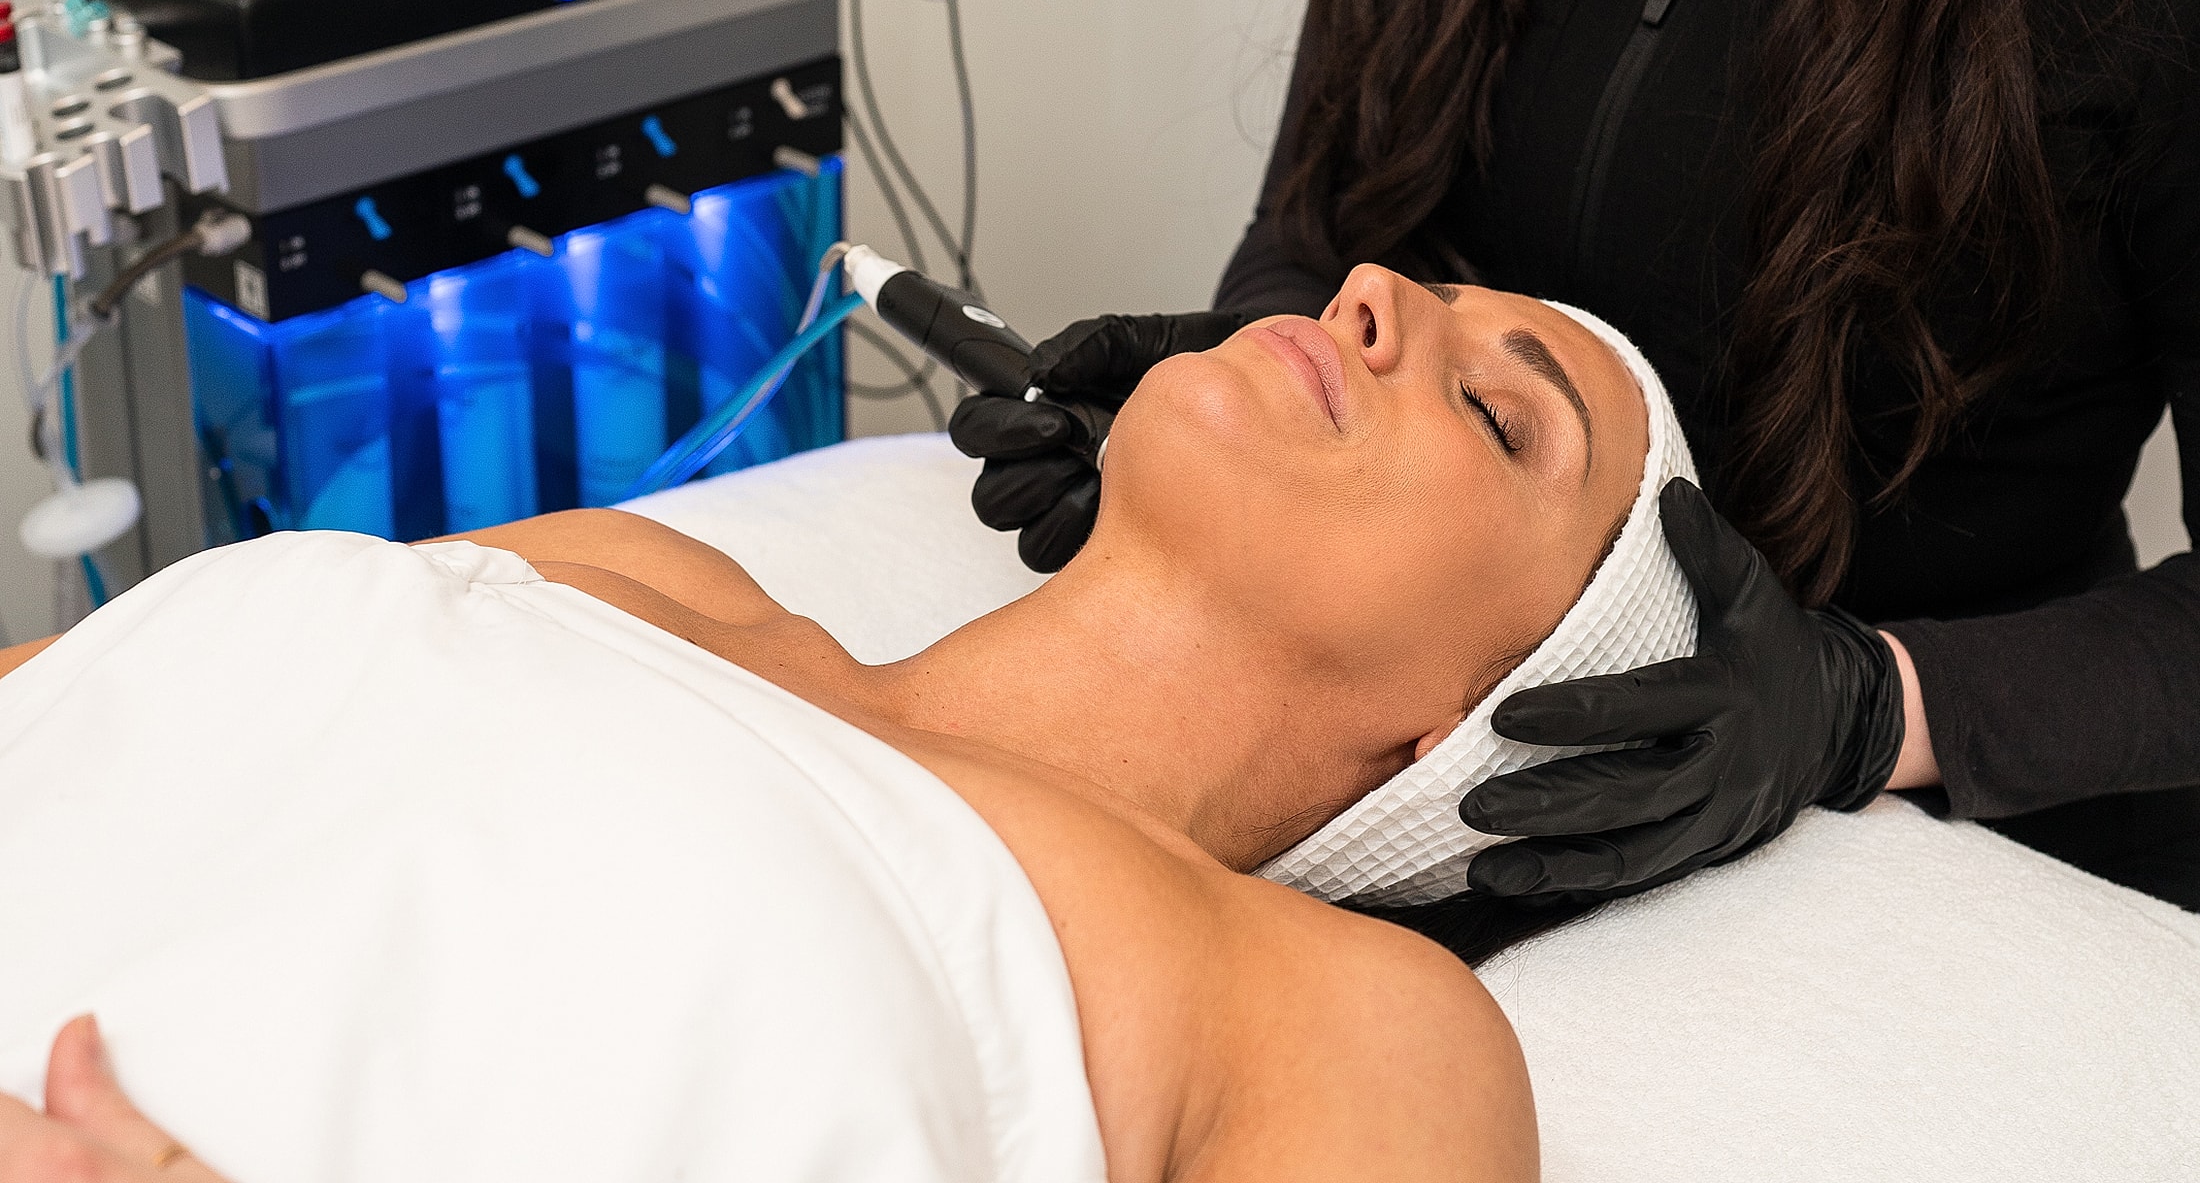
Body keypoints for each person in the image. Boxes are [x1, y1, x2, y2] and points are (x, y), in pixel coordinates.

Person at [0, 271, 1655, 1183]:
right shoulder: (630, 567)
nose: (1372, 293)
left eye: (1497, 412)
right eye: (1414, 285)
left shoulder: (1331, 1018)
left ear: (1472, 730)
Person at [953, 0, 2200, 908]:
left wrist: (1871, 706)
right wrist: (1250, 403)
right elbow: (1327, 223)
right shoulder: (804, 668)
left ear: (1440, 742)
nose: (1369, 294)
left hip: (1999, 834)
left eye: (1502, 420)